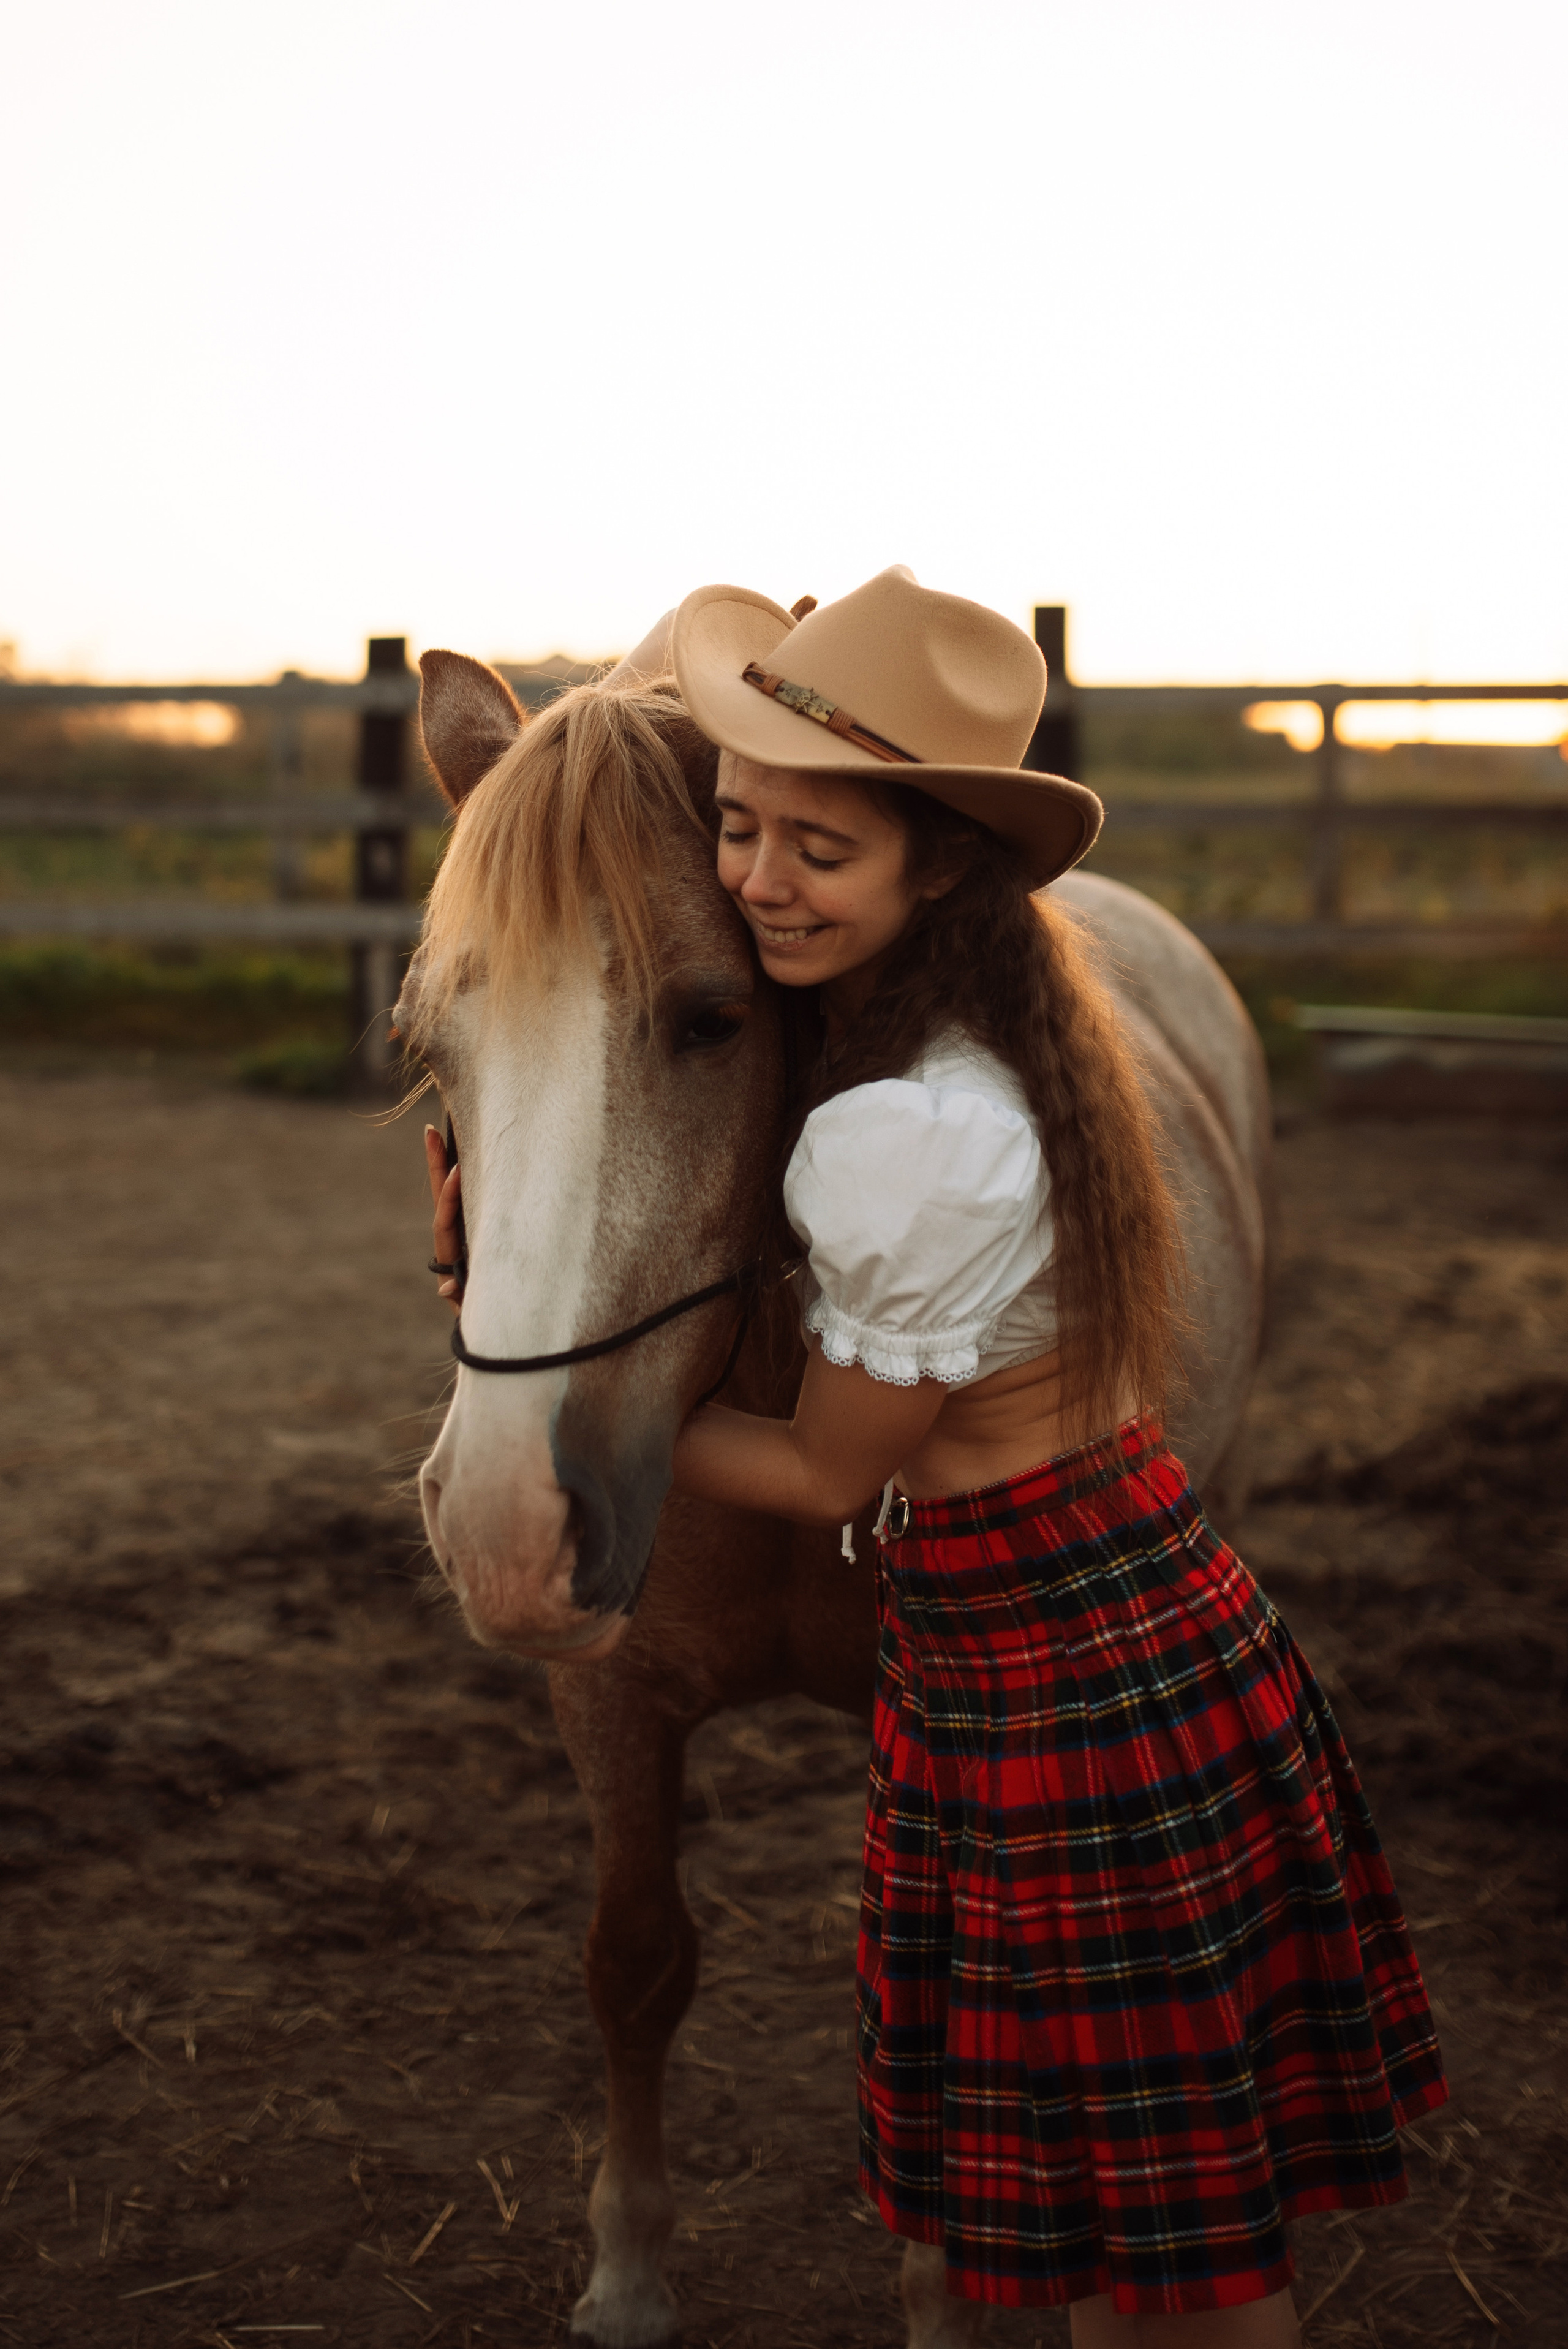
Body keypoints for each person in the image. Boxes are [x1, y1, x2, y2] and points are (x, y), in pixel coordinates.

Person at [429, 569, 1447, 2343]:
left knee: (1170, 2255)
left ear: (938, 870)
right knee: (1116, 2173)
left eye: (820, 848)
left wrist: (600, 1400)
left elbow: (835, 1472)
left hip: (1066, 1682)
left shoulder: (916, 1138)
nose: (759, 879)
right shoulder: (961, 1067)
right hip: (1078, 1650)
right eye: (742, 829)